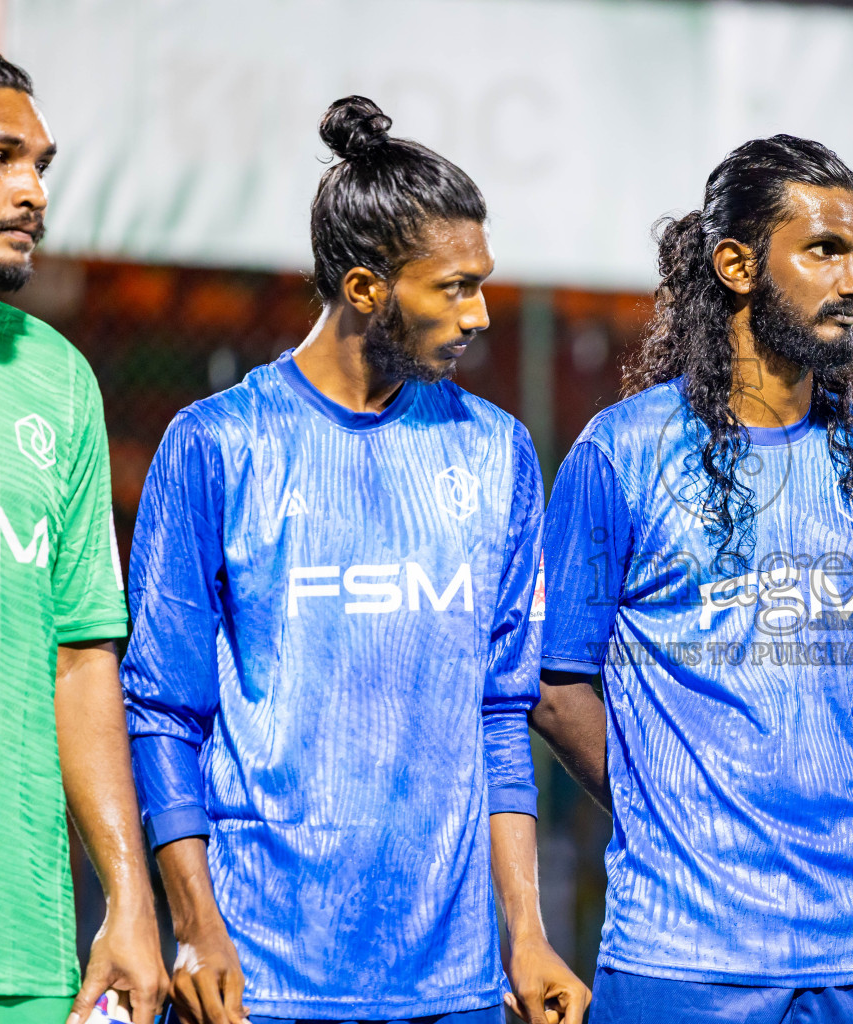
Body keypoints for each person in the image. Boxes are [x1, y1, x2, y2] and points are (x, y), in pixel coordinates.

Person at [120, 96, 586, 1024]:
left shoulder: (497, 454)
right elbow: (162, 712)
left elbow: (499, 713)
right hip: (261, 977)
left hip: (451, 984)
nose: (481, 314)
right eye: (453, 288)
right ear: (368, 288)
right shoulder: (218, 444)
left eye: (481, 282)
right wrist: (195, 923)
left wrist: (524, 933)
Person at [530, 136, 853, 1023]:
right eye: (824, 251)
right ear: (737, 265)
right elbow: (557, 690)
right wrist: (671, 806)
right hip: (683, 944)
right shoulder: (621, 451)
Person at [0, 48, 168, 1024]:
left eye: (40, 163)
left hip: (22, 943)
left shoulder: (55, 378)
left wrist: (128, 902)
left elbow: (83, 659)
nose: (32, 190)